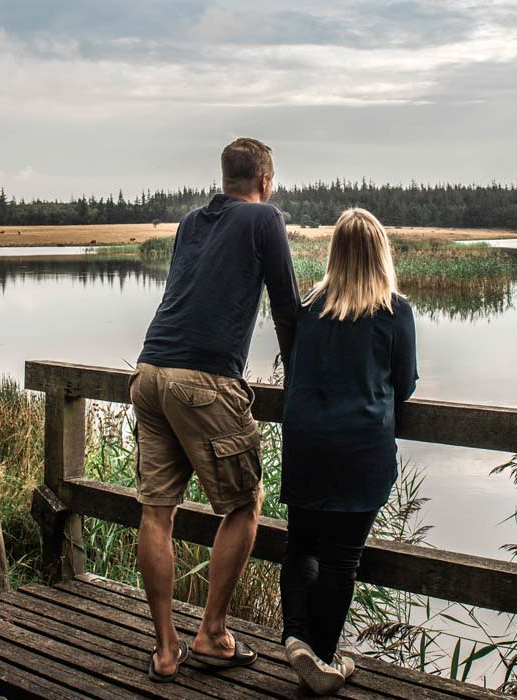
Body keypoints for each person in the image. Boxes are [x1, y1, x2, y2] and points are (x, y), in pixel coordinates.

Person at [130, 137, 300, 682]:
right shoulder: (266, 219)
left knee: (156, 511)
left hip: (150, 371)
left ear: (224, 178)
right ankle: (211, 634)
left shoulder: (189, 223)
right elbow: (287, 309)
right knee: (245, 503)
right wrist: (298, 376)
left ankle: (165, 651)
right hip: (203, 379)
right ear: (265, 181)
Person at [279, 207, 418, 695]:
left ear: (335, 253)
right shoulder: (395, 312)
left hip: (306, 442)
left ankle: (297, 638)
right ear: (381, 254)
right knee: (342, 559)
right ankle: (321, 656)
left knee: (301, 544)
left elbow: (295, 370)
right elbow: (405, 385)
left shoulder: (308, 309)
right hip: (361, 447)